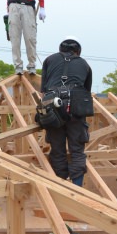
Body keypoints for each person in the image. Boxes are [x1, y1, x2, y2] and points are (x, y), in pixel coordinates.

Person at [40, 37, 92, 186]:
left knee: (57, 151)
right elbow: (86, 93)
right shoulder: (84, 64)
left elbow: (43, 93)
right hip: (76, 105)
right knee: (76, 151)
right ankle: (77, 189)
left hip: (53, 105)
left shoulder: (49, 60)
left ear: (60, 50)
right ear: (77, 52)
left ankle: (61, 189)